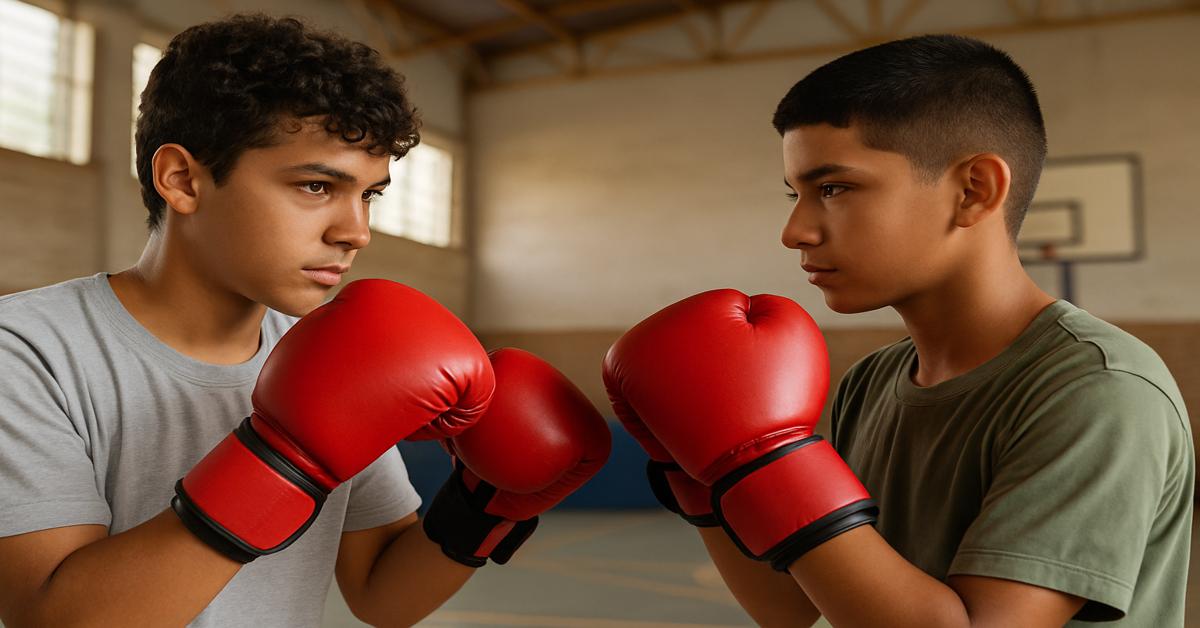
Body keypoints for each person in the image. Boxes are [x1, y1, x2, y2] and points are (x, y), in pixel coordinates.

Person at [0, 13, 609, 627]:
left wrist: (485, 506)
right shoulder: (29, 351)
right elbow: (55, 619)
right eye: (317, 186)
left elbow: (382, 595)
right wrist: (282, 461)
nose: (356, 232)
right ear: (182, 179)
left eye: (369, 194)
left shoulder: (328, 354)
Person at [605, 34, 1192, 627]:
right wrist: (701, 477)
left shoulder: (1099, 391)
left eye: (833, 189)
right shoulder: (873, 381)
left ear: (973, 191)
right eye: (797, 193)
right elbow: (787, 607)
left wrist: (772, 461)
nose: (795, 230)